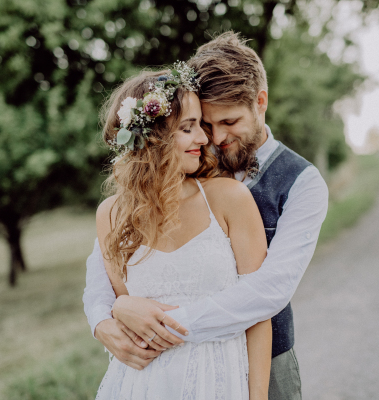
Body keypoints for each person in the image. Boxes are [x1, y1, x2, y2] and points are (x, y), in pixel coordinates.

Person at [84, 32, 329, 400]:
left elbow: (270, 289)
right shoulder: (185, 164)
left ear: (260, 102)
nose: (213, 137)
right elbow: (105, 263)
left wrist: (164, 327)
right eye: (203, 123)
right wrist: (107, 315)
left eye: (228, 122)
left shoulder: (303, 183)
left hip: (261, 361)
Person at [93, 62, 272, 399]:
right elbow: (120, 304)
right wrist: (117, 310)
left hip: (218, 381)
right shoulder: (110, 216)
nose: (205, 138)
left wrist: (258, 396)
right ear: (153, 136)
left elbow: (258, 312)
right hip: (143, 385)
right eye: (189, 127)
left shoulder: (229, 198)